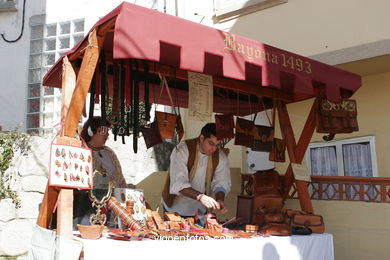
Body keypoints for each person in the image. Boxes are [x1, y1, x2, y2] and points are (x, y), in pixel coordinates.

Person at [162, 123, 231, 218]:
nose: (214, 149)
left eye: (217, 145)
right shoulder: (182, 150)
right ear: (202, 138)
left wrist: (220, 199)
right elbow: (179, 182)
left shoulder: (220, 157)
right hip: (175, 210)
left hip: (199, 212)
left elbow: (221, 182)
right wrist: (200, 197)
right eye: (211, 143)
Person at [73, 116, 130, 228]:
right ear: (91, 131)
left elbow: (120, 179)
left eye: (108, 131)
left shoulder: (109, 152)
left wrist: (125, 197)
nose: (108, 135)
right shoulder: (81, 151)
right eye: (104, 131)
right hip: (88, 208)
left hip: (113, 207)